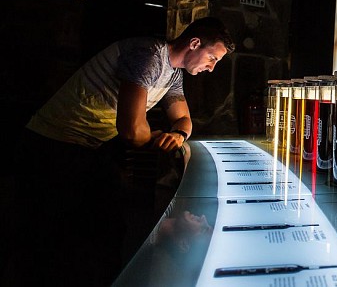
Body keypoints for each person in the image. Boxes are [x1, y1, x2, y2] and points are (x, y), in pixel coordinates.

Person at [10, 16, 235, 287]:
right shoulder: (148, 55)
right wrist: (154, 136)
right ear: (195, 43)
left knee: (104, 229)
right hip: (51, 143)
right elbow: (130, 128)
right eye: (212, 58)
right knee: (49, 236)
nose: (211, 68)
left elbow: (184, 121)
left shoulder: (173, 73)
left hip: (88, 146)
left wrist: (176, 135)